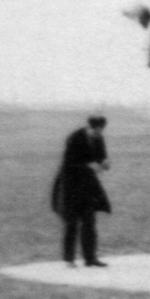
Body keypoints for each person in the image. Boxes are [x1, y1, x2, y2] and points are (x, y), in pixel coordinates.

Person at [51, 114, 112, 267]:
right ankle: (69, 259)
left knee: (89, 221)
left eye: (101, 131)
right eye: (96, 131)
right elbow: (69, 162)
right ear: (90, 128)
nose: (99, 134)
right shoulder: (75, 138)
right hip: (70, 184)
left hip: (88, 185)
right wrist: (89, 165)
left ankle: (90, 258)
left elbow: (101, 156)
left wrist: (104, 162)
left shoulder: (98, 137)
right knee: (71, 222)